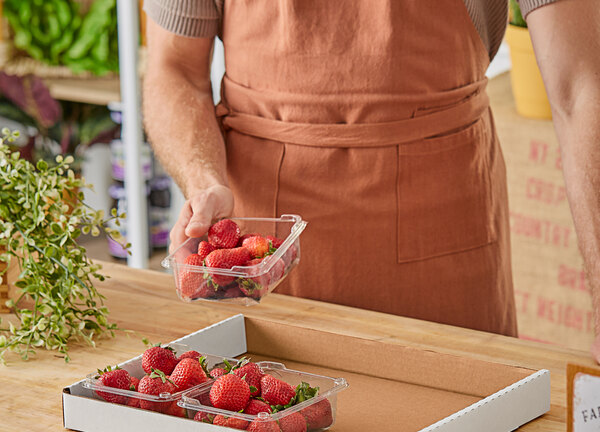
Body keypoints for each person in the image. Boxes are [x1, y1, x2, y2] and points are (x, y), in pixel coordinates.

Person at [142, 0, 600, 360]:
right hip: (271, 256)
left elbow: (584, 84)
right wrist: (204, 180)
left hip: (445, 247)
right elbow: (174, 68)